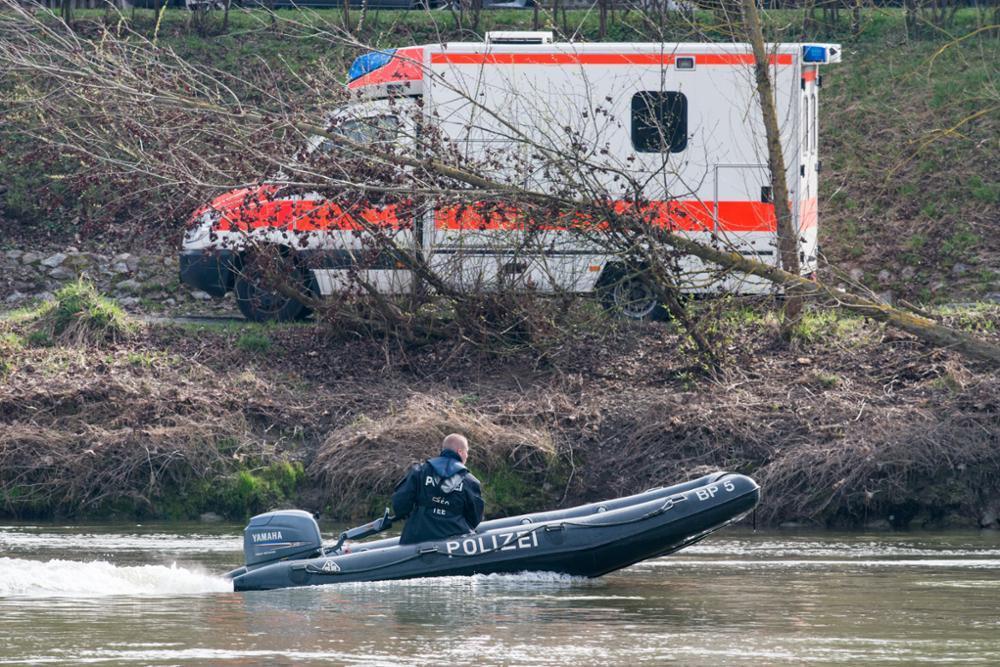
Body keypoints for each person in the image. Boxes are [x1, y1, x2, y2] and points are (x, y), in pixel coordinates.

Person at [391, 433, 485, 545]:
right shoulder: (470, 481)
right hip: (455, 540)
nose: (467, 456)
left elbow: (400, 503)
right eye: (467, 452)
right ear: (460, 452)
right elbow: (475, 516)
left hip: (417, 535)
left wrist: (413, 517)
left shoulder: (420, 471)